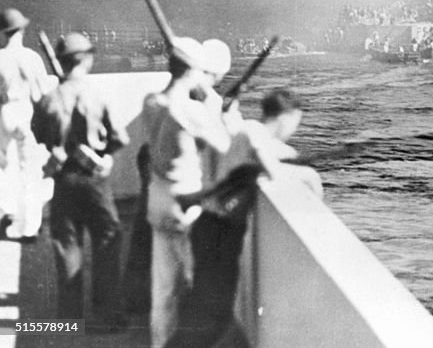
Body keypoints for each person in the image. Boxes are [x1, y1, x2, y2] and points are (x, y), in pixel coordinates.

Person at [165, 89, 320, 348]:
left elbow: (271, 157)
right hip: (217, 231)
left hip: (217, 229)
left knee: (210, 309)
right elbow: (274, 171)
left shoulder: (249, 130)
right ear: (287, 117)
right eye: (296, 122)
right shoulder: (254, 132)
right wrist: (309, 175)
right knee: (213, 314)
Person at [31, 32, 128, 329]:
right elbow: (120, 137)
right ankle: (104, 317)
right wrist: (105, 154)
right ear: (87, 59)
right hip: (93, 180)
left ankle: (70, 318)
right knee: (107, 241)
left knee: (67, 244)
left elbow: (39, 134)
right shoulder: (96, 95)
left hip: (63, 178)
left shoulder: (50, 98)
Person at [142, 37, 230, 348]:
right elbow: (224, 144)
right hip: (186, 204)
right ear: (193, 70)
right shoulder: (190, 110)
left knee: (163, 289)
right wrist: (215, 106)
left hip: (157, 198)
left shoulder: (151, 102)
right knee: (197, 282)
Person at [0, 7, 56, 239]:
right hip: (26, 113)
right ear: (22, 30)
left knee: (6, 167)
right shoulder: (32, 57)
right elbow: (44, 91)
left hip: (5, 113)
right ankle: (29, 227)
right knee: (30, 170)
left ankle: (10, 215)